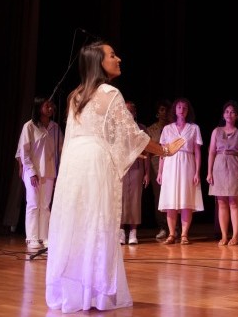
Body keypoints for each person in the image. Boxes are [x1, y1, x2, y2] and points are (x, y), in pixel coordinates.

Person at [46, 40, 183, 312]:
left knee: (77, 225)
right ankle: (96, 294)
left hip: (74, 165)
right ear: (99, 62)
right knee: (97, 225)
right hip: (94, 165)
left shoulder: (76, 95)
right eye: (112, 55)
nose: (118, 58)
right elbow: (132, 135)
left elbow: (96, 136)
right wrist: (164, 149)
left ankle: (77, 294)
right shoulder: (110, 93)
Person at [15, 97, 62, 250]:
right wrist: (31, 172)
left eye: (51, 106)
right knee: (33, 204)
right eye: (46, 106)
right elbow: (24, 152)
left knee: (45, 205)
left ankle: (44, 236)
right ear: (38, 108)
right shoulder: (29, 126)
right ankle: (32, 238)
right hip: (32, 172)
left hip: (49, 171)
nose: (50, 108)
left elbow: (61, 150)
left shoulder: (55, 128)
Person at [158, 98, 204, 245]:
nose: (182, 110)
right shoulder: (167, 129)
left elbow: (197, 152)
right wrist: (160, 172)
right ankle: (171, 234)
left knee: (186, 200)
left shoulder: (194, 128)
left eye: (184, 107)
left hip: (187, 164)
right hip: (170, 165)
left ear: (188, 110)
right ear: (175, 110)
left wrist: (197, 172)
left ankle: (184, 234)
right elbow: (163, 152)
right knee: (171, 200)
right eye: (179, 107)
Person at [207, 100, 238, 246]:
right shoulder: (216, 131)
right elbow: (211, 152)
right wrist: (209, 172)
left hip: (235, 165)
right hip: (219, 166)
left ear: (237, 115)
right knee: (221, 202)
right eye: (226, 111)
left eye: (232, 112)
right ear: (223, 114)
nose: (229, 114)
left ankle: (236, 235)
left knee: (234, 202)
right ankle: (224, 235)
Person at [119, 101, 149, 245]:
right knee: (120, 199)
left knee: (135, 200)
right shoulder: (117, 129)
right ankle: (121, 231)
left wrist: (147, 173)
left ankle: (133, 231)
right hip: (121, 168)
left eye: (130, 111)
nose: (127, 113)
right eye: (125, 111)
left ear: (134, 113)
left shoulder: (141, 129)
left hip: (137, 167)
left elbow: (147, 153)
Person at [146, 99, 172, 240]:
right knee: (159, 195)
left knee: (173, 194)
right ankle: (162, 226)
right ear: (157, 112)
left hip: (172, 161)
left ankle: (174, 227)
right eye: (162, 110)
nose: (164, 113)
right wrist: (148, 172)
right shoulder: (151, 129)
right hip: (156, 162)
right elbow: (149, 151)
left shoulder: (173, 128)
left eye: (167, 110)